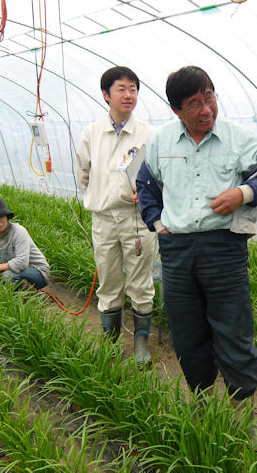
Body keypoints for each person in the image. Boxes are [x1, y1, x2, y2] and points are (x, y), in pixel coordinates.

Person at [136, 66, 257, 406]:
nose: (206, 109)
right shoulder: (160, 141)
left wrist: (243, 193)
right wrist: (158, 224)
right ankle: (201, 400)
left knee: (233, 328)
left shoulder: (238, 138)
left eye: (209, 98)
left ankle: (239, 404)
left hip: (224, 248)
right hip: (176, 251)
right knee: (187, 332)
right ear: (176, 110)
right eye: (194, 103)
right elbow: (146, 185)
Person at [76, 66, 156, 364]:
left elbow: (157, 178)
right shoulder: (92, 134)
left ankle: (140, 345)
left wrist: (147, 194)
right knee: (109, 282)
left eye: (133, 89)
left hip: (137, 220)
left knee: (140, 283)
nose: (128, 95)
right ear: (106, 94)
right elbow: (83, 174)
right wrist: (100, 195)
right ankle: (110, 343)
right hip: (104, 219)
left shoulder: (148, 134)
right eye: (121, 89)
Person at [0, 197, 50, 290]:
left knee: (8, 276)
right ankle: (4, 291)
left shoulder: (19, 231)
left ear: (7, 217)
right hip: (11, 267)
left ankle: (28, 294)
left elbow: (22, 262)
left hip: (37, 271)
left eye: (1, 216)